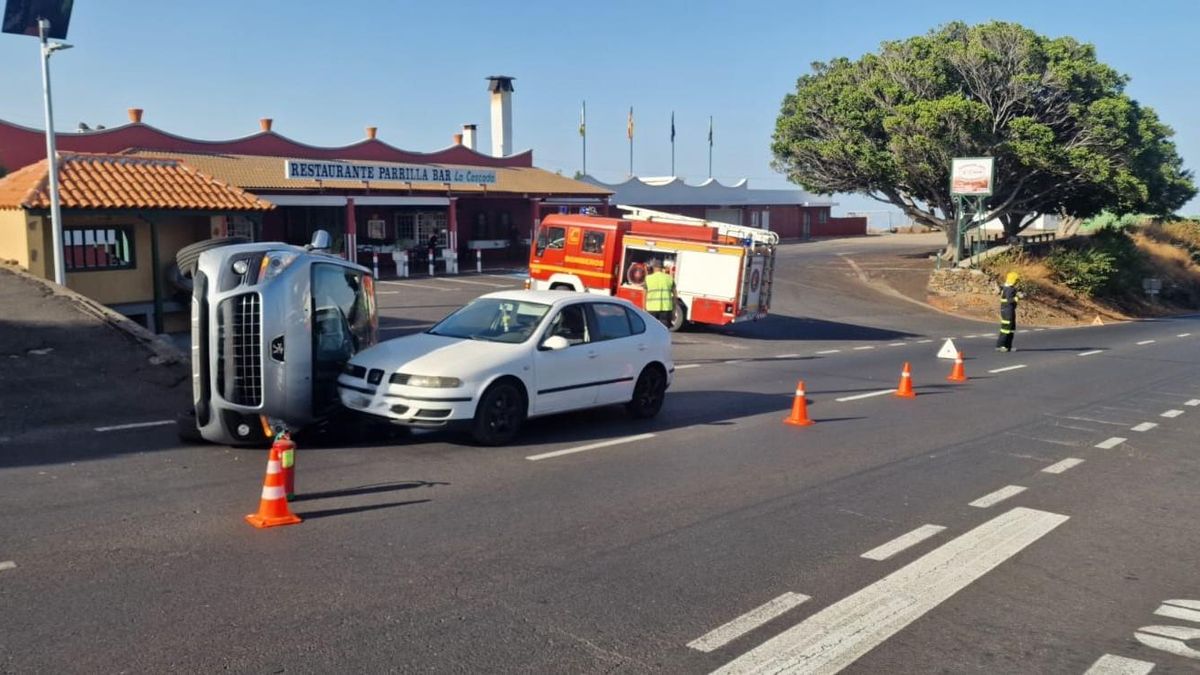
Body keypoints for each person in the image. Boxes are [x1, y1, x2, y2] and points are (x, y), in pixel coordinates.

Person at [996, 271, 1023, 352]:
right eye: (1016, 281)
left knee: (1011, 329)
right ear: (1013, 280)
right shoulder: (1009, 289)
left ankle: (1008, 347)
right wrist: (1018, 297)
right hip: (1007, 311)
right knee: (1006, 328)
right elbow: (1009, 300)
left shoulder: (1010, 288)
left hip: (1010, 310)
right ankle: (1001, 346)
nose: (1017, 282)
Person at [644, 260, 676, 328]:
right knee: (664, 329)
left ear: (653, 267)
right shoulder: (669, 278)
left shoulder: (648, 278)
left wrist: (644, 308)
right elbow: (675, 295)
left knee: (651, 328)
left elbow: (644, 295)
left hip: (651, 308)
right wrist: (674, 310)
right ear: (662, 268)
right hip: (666, 308)